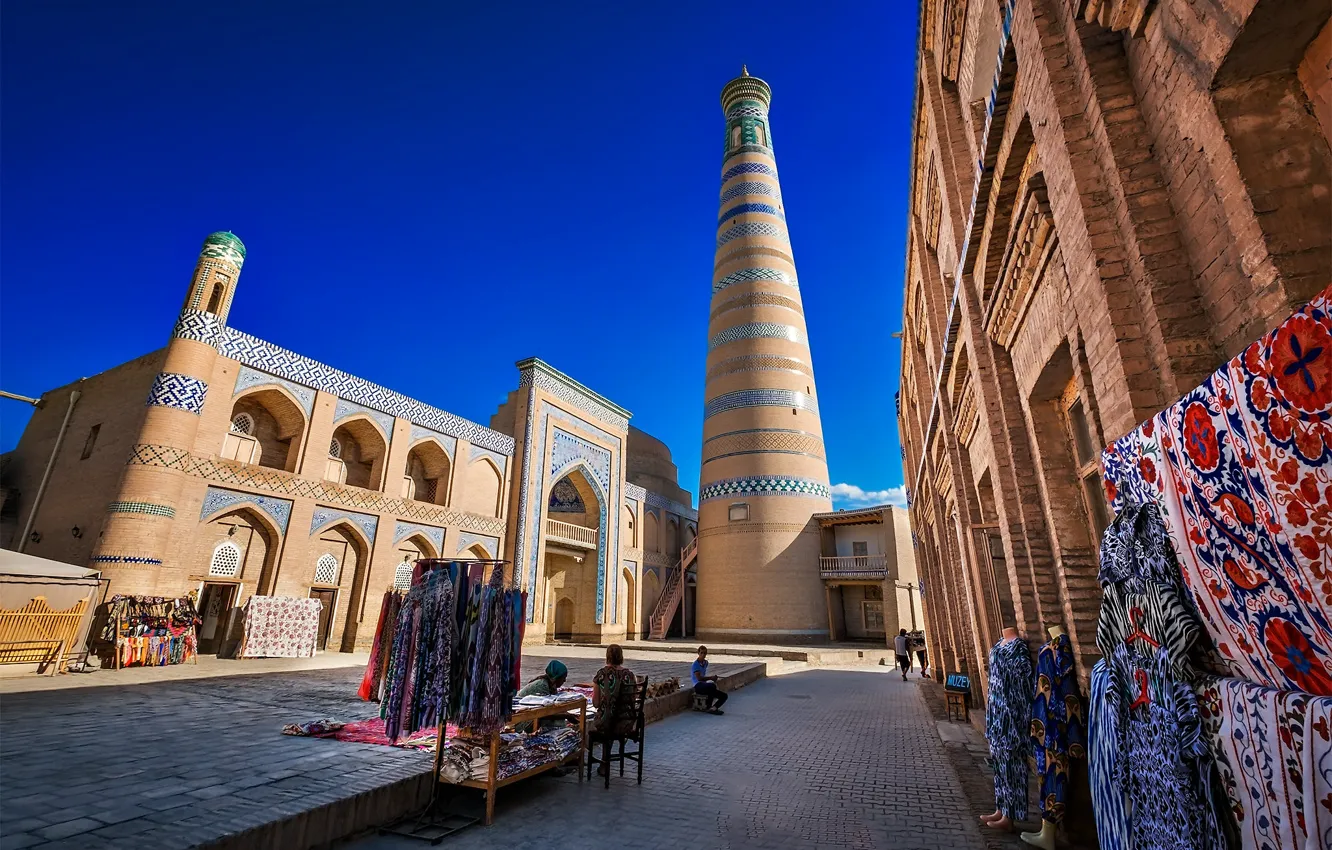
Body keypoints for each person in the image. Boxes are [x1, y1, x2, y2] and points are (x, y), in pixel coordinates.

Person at [691, 645, 727, 714]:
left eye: (704, 653)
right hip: (698, 685)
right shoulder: (695, 664)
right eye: (701, 653)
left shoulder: (706, 663)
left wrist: (713, 678)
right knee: (712, 686)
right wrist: (711, 678)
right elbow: (699, 678)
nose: (703, 655)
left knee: (724, 696)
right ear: (698, 653)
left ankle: (713, 708)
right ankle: (709, 706)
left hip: (704, 685)